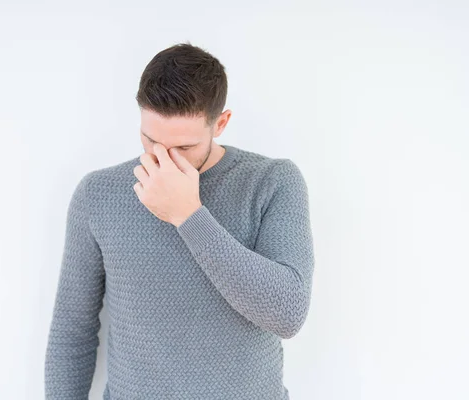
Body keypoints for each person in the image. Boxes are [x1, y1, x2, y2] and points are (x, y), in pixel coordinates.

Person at [44, 41, 315, 400]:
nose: (162, 159)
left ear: (221, 123)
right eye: (150, 139)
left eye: (183, 148)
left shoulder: (273, 182)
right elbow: (72, 331)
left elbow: (288, 313)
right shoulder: (98, 194)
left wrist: (188, 215)